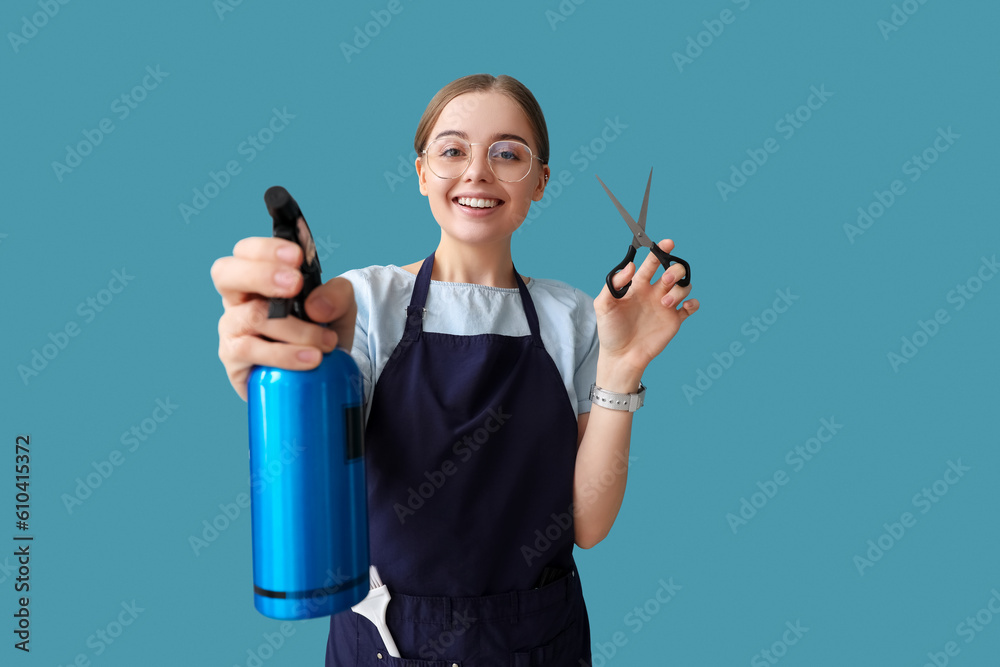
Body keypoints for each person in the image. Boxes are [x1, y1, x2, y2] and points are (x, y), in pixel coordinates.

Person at [211, 73, 699, 666]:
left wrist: (622, 367)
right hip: (389, 641)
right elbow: (314, 457)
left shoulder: (572, 315)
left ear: (540, 181)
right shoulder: (365, 302)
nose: (477, 172)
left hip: (538, 642)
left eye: (507, 154)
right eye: (452, 150)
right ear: (421, 174)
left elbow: (587, 525)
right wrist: (284, 376)